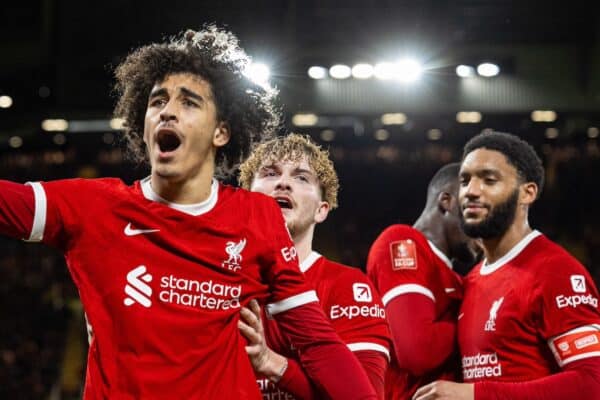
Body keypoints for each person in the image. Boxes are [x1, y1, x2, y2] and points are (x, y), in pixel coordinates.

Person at [0, 26, 377, 399]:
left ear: (221, 133)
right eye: (157, 101)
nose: (167, 112)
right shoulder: (92, 207)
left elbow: (317, 344)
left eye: (189, 102)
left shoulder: (256, 216)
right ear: (142, 126)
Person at [413, 131, 600, 400]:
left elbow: (591, 384)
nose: (471, 191)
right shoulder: (473, 279)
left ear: (528, 192)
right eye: (465, 180)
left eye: (489, 180)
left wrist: (476, 395)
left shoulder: (556, 272)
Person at [238, 133, 391, 398]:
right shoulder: (215, 280)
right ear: (245, 197)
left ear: (322, 210)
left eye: (301, 177)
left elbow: (367, 393)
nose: (283, 183)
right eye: (270, 174)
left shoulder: (348, 286)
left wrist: (271, 363)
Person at [366, 162, 480, 400]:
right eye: (473, 211)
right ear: (447, 201)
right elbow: (417, 351)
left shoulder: (459, 281)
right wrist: (478, 322)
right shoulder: (403, 242)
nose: (481, 228)